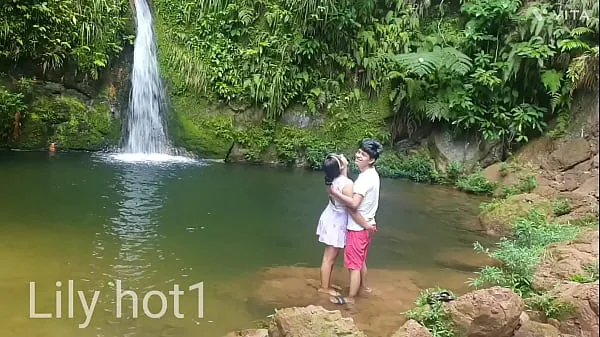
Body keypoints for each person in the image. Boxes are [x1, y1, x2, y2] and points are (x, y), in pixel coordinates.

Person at [328, 139, 382, 305]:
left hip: (358, 228)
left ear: (371, 160)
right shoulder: (372, 174)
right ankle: (363, 288)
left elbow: (353, 204)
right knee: (360, 261)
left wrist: (336, 193)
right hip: (367, 225)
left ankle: (350, 298)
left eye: (363, 154)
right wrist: (345, 170)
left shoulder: (364, 180)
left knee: (354, 265)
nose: (358, 155)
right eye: (359, 152)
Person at [315, 153, 353, 297]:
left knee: (330, 256)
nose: (342, 156)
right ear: (341, 167)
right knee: (329, 257)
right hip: (336, 222)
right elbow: (352, 205)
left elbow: (343, 177)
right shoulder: (347, 184)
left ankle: (327, 283)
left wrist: (344, 166)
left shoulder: (332, 180)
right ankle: (324, 288)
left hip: (331, 216)